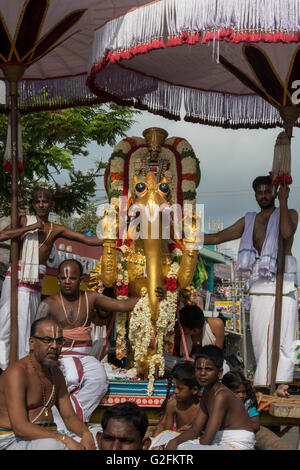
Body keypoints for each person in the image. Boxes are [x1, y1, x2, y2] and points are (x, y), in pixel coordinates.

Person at [203, 177, 298, 391]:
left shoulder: (290, 213)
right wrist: (185, 236)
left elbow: (286, 233)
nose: (263, 196)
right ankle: (264, 382)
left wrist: (283, 202)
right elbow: (218, 237)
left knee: (285, 335)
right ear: (255, 195)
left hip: (286, 281)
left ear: (274, 192)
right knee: (258, 335)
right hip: (260, 283)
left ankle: (282, 385)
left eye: (267, 191)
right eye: (259, 192)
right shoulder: (249, 220)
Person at [0, 187, 104, 370]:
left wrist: (113, 238)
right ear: (33, 204)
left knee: (28, 329)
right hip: (15, 282)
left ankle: (23, 368)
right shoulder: (23, 220)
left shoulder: (55, 229)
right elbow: (2, 236)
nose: (41, 205)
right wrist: (29, 228)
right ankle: (4, 366)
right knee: (7, 325)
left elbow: (88, 240)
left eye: (45, 201)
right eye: (37, 201)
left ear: (51, 204)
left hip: (34, 286)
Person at [35, 258, 142, 430]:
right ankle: (68, 424)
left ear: (81, 280)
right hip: (59, 356)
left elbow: (122, 305)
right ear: (58, 280)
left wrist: (149, 296)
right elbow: (37, 335)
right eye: (63, 278)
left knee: (100, 380)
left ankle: (69, 421)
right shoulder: (48, 304)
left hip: (85, 356)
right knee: (70, 377)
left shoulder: (90, 298)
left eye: (72, 278)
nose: (67, 282)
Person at [0, 315, 100, 450]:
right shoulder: (16, 373)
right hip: (12, 439)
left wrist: (85, 433)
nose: (54, 346)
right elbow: (20, 428)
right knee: (54, 446)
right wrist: (63, 439)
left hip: (49, 436)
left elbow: (69, 417)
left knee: (98, 435)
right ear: (32, 343)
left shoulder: (55, 373)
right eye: (47, 340)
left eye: (59, 341)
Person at [155, 345, 255, 451]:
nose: (202, 373)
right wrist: (174, 441)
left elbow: (207, 440)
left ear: (220, 373)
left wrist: (181, 444)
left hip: (237, 444)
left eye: (208, 369)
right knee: (165, 437)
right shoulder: (207, 394)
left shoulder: (221, 395)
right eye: (199, 369)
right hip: (218, 440)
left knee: (181, 448)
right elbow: (195, 429)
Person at [153, 361, 200, 437]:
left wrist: (192, 431)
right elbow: (168, 433)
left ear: (194, 390)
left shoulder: (203, 406)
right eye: (175, 387)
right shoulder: (172, 405)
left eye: (180, 388)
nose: (175, 391)